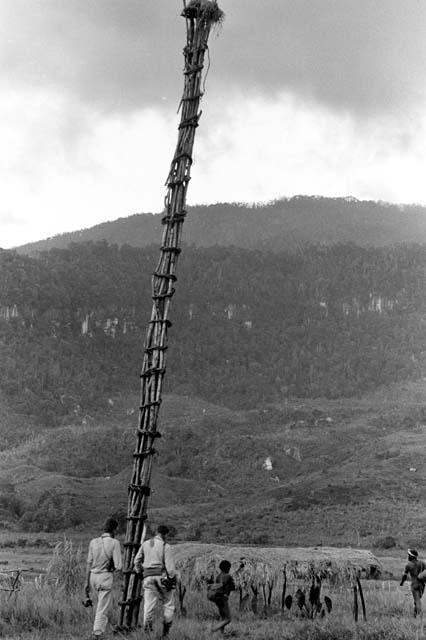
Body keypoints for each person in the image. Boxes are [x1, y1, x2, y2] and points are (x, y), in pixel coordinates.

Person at [134, 524, 176, 637]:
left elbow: (136, 562)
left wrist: (140, 573)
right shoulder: (165, 546)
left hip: (147, 578)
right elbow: (171, 569)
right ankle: (165, 632)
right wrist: (172, 579)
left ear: (156, 532)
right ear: (165, 534)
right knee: (168, 604)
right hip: (161, 578)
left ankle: (147, 632)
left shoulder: (145, 544)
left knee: (148, 605)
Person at [85, 517, 123, 639]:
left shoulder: (93, 542)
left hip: (92, 577)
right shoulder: (114, 543)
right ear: (114, 530)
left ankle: (106, 627)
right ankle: (97, 633)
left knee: (102, 606)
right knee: (102, 607)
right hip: (105, 577)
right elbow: (118, 566)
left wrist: (86, 582)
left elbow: (88, 563)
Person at [208, 560, 235, 634]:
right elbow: (233, 587)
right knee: (228, 619)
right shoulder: (227, 576)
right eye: (229, 568)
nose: (229, 569)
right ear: (227, 568)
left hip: (217, 598)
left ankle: (221, 634)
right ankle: (213, 629)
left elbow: (218, 586)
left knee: (223, 617)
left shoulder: (218, 576)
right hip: (222, 598)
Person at [400, 549, 426, 617]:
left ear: (411, 556)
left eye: (408, 555)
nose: (407, 556)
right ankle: (415, 615)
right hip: (422, 585)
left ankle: (419, 615)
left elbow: (404, 576)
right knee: (417, 599)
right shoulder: (423, 563)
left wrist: (402, 582)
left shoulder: (408, 565)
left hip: (414, 584)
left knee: (417, 601)